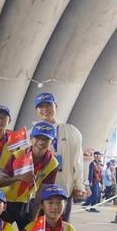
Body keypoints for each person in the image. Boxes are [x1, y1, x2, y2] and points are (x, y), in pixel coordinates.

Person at [32, 93, 85, 221]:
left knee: (62, 229)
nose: (45, 109)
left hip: (63, 189)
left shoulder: (71, 131)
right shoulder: (30, 133)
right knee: (38, 229)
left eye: (48, 105)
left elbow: (77, 161)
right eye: (41, 106)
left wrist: (79, 185)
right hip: (38, 192)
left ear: (56, 106)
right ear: (36, 110)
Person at [0, 121, 58, 228]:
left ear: (52, 142)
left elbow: (42, 192)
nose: (41, 142)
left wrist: (33, 216)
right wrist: (18, 178)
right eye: (38, 138)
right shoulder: (18, 155)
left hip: (26, 203)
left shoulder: (52, 163)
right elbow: (1, 182)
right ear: (31, 139)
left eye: (46, 139)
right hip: (6, 200)